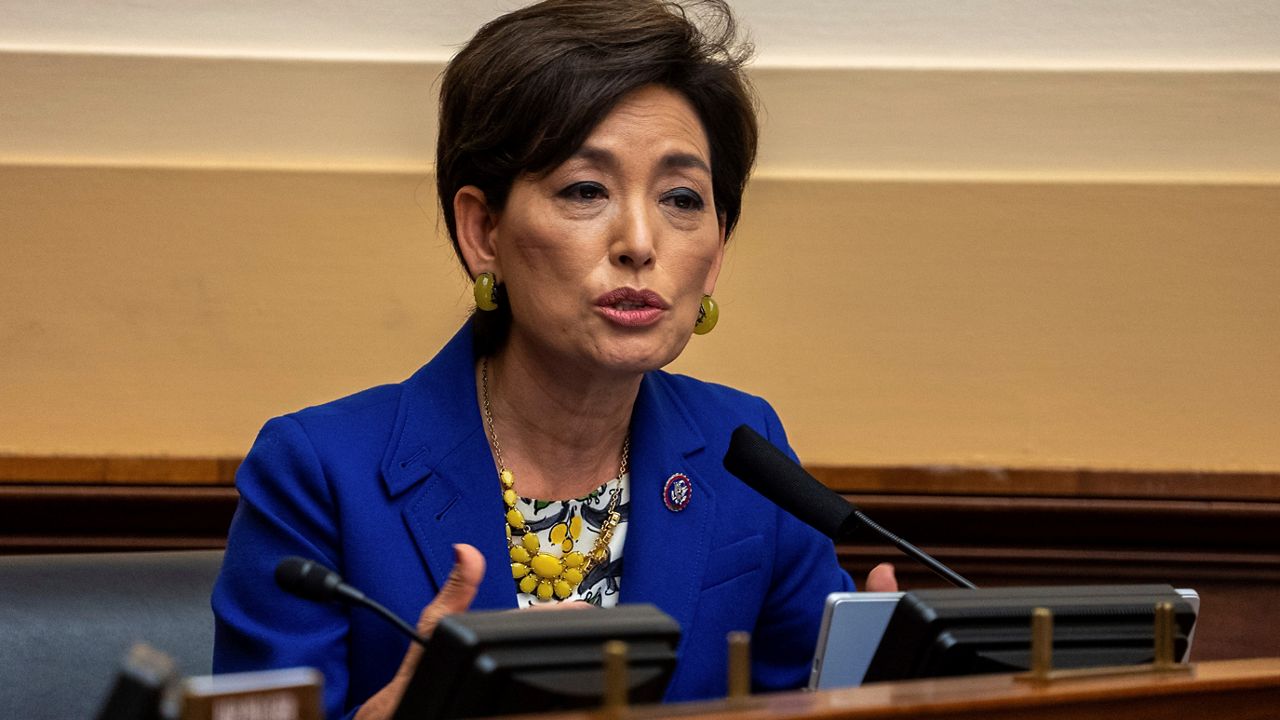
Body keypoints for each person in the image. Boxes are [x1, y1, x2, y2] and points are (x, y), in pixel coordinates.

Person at [212, 1, 897, 718]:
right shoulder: (319, 471)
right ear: (483, 230)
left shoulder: (743, 453)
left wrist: (872, 697)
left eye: (682, 198)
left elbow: (802, 699)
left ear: (717, 252)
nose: (639, 241)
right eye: (585, 190)